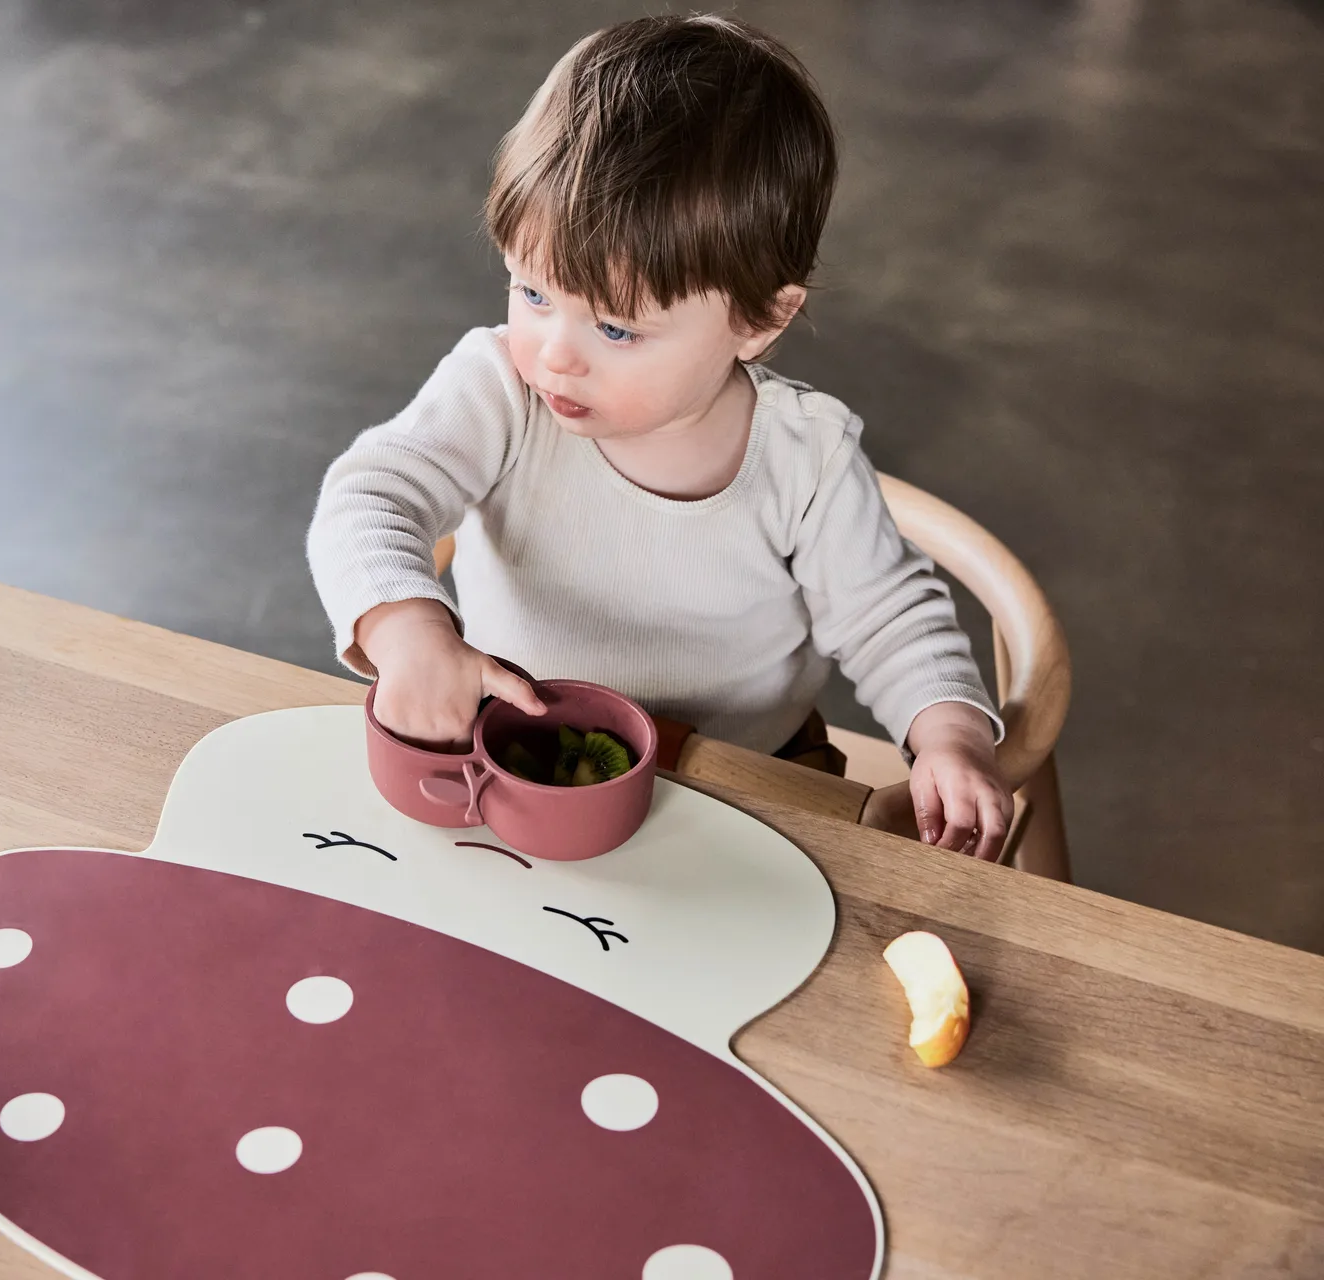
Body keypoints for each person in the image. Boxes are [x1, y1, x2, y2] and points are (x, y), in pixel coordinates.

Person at [307, 15, 1014, 859]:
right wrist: (409, 632)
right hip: (515, 746)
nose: (555, 355)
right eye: (532, 293)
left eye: (615, 330)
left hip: (745, 779)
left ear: (759, 319)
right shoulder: (501, 387)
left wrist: (950, 739)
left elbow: (890, 617)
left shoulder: (804, 457)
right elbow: (370, 493)